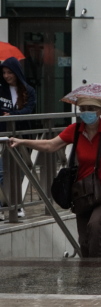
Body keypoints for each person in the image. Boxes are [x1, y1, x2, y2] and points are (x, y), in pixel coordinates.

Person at [9, 98, 101, 257]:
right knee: (84, 241)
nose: (86, 112)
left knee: (96, 225)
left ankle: (98, 268)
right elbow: (50, 145)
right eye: (83, 109)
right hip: (83, 191)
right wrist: (21, 141)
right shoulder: (75, 130)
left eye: (91, 108)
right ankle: (88, 270)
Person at [0, 57, 36, 220]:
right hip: (2, 136)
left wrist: (13, 114)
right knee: (2, 172)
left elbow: (29, 110)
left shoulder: (28, 90)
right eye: (4, 72)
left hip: (21, 137)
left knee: (19, 173)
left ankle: (17, 205)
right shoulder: (1, 89)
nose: (6, 76)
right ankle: (2, 206)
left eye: (10, 72)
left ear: (16, 72)